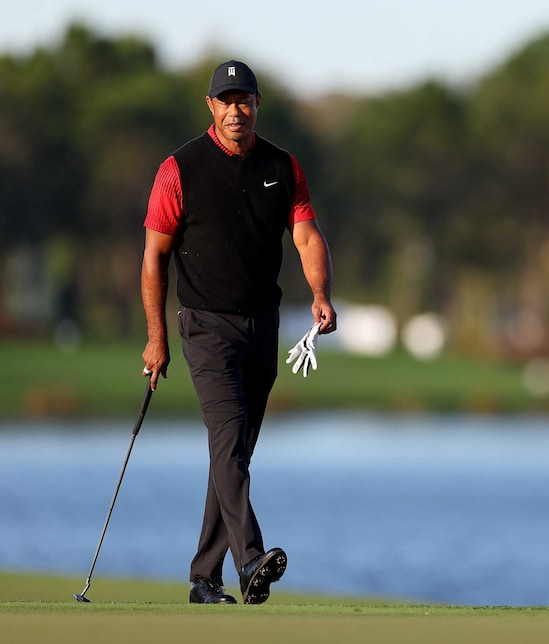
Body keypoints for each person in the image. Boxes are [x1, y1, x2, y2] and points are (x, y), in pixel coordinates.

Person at [140, 60, 337, 605]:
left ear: (256, 103)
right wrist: (157, 339)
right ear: (211, 107)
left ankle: (204, 578)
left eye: (243, 99)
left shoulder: (282, 165)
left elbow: (306, 235)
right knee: (229, 445)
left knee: (233, 455)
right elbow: (154, 259)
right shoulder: (178, 170)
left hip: (262, 326)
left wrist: (320, 294)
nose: (235, 110)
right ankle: (251, 559)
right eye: (224, 100)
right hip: (205, 326)